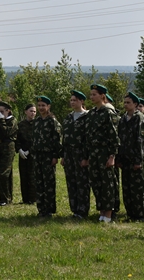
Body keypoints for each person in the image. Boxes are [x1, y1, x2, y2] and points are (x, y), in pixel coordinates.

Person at [85, 84, 119, 223]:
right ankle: (101, 212)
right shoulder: (92, 113)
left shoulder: (108, 112)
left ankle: (109, 214)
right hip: (93, 153)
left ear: (102, 96)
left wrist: (112, 156)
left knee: (107, 184)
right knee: (96, 182)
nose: (91, 97)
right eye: (91, 94)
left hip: (105, 152)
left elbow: (114, 136)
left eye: (94, 94)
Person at [117, 92, 144, 222]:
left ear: (135, 105)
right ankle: (130, 213)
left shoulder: (139, 118)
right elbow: (119, 139)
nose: (125, 105)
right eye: (124, 102)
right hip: (125, 160)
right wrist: (119, 158)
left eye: (128, 103)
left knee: (138, 188)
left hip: (136, 160)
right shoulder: (123, 119)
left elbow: (142, 141)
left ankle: (139, 214)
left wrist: (139, 160)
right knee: (127, 188)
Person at [61, 90, 90, 219]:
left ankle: (83, 210)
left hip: (81, 154)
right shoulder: (68, 118)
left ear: (82, 101)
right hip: (69, 154)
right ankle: (75, 209)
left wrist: (86, 157)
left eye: (75, 100)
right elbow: (64, 139)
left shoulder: (87, 117)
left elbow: (89, 139)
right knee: (71, 182)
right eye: (71, 100)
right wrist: (63, 156)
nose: (72, 102)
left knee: (82, 183)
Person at [32, 96, 61, 217]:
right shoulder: (37, 121)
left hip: (48, 156)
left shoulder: (52, 121)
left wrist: (55, 156)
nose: (41, 108)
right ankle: (41, 208)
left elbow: (57, 141)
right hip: (37, 156)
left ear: (48, 107)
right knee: (39, 182)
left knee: (48, 183)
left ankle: (49, 209)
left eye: (43, 105)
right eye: (39, 106)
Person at [0, 101, 18, 206]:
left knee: (3, 173)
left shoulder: (12, 120)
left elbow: (6, 132)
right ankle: (5, 197)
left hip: (8, 147)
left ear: (8, 111)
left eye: (1, 111)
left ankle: (6, 199)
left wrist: (1, 120)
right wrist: (0, 121)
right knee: (0, 173)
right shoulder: (0, 121)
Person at [16, 104, 37, 205]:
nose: (33, 113)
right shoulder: (20, 124)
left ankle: (33, 199)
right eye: (31, 111)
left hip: (33, 154)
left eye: (34, 111)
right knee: (23, 176)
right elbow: (17, 138)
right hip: (22, 153)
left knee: (32, 176)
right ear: (25, 112)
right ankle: (25, 199)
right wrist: (19, 150)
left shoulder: (37, 124)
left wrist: (30, 150)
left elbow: (37, 140)